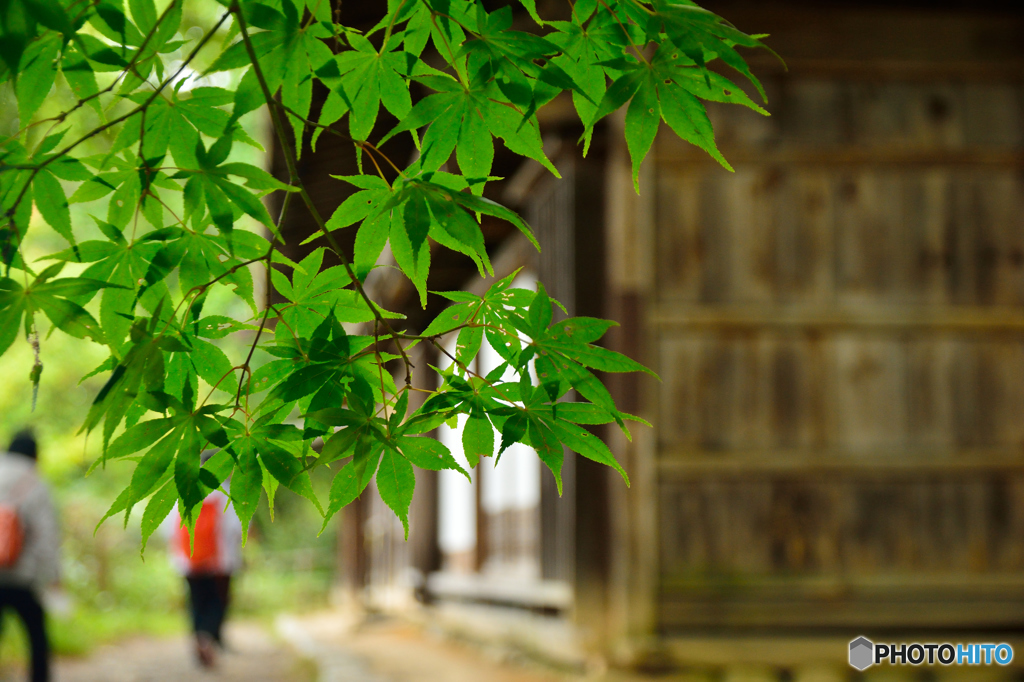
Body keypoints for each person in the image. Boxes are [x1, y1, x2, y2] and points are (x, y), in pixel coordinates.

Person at [168, 450, 242, 669]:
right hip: (220, 563)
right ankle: (208, 637)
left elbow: (170, 529)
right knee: (217, 602)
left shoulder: (186, 490)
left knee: (196, 603)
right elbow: (235, 528)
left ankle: (199, 637)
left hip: (189, 561)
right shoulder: (225, 492)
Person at [0, 431, 60, 682]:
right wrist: (53, 575)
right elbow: (46, 535)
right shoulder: (35, 481)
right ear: (35, 454)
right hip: (22, 575)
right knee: (37, 634)